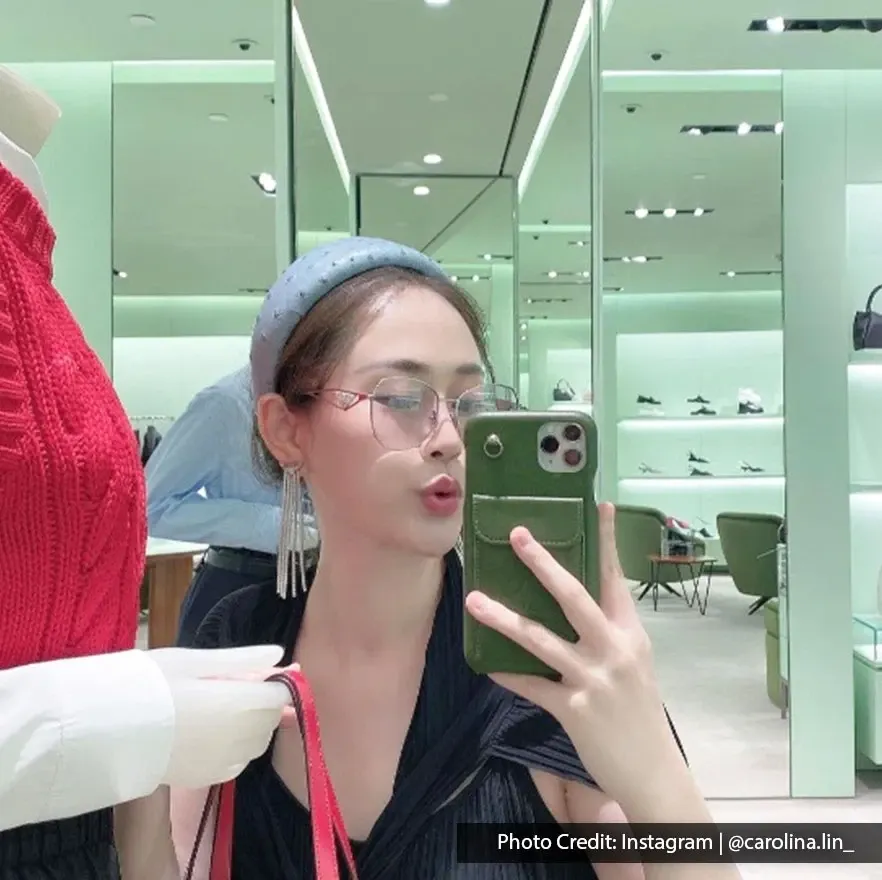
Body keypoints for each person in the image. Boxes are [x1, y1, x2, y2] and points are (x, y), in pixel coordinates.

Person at [122, 237, 742, 879]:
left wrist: (656, 779)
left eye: (469, 404)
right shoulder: (241, 647)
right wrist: (138, 778)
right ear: (286, 430)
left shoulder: (539, 674)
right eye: (398, 397)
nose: (450, 438)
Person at [0, 65, 294, 865]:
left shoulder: (32, 263)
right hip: (241, 596)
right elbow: (163, 507)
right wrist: (282, 524)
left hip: (90, 811)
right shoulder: (227, 403)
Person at [146, 366, 318, 645]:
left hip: (326, 589)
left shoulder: (341, 396)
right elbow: (155, 505)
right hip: (240, 584)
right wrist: (271, 526)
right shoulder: (224, 404)